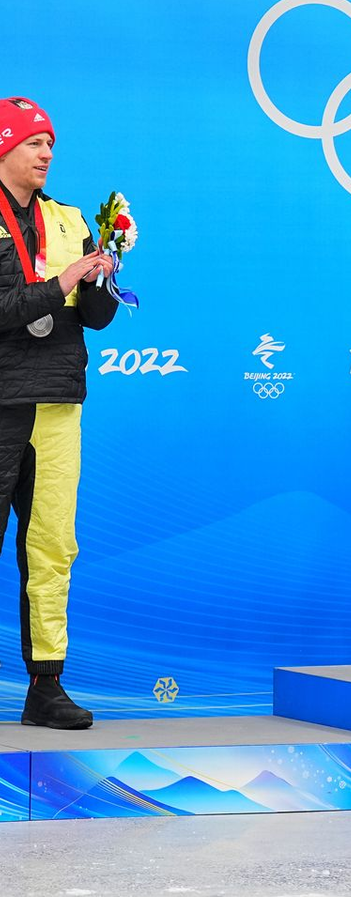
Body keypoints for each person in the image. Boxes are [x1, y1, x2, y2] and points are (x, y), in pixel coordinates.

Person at [0, 96, 117, 729]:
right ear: (4, 148)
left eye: (50, 143)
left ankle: (46, 687)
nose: (47, 153)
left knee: (53, 549)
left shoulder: (71, 218)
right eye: (34, 143)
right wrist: (63, 279)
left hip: (57, 404)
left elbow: (94, 317)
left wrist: (104, 271)